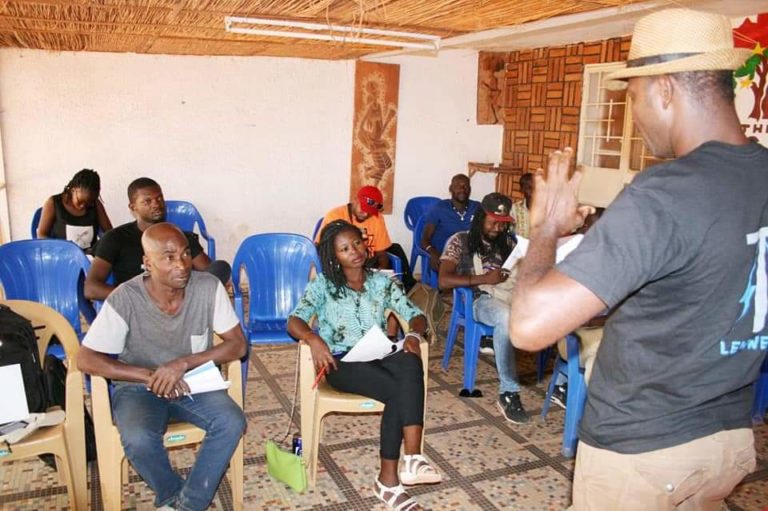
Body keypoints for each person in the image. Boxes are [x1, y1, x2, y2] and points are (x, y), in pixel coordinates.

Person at [510, 9, 767, 509]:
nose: (634, 112)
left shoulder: (666, 193)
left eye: (633, 96)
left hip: (644, 454)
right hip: (726, 443)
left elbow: (528, 326)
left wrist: (546, 228)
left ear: (664, 90)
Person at [77, 223, 247, 511]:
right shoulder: (125, 298)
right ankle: (170, 495)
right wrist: (148, 375)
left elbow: (237, 345)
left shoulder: (207, 287)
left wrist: (182, 364)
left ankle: (187, 505)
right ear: (147, 263)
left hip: (192, 382)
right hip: (138, 388)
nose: (181, 264)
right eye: (168, 257)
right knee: (138, 438)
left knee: (231, 421)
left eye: (184, 254)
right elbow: (86, 358)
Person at [288, 220, 440, 511]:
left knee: (411, 359)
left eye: (356, 243)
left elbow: (415, 313)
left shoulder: (381, 282)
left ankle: (410, 461)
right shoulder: (323, 286)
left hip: (379, 353)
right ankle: (390, 479)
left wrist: (412, 333)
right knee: (400, 390)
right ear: (334, 256)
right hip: (341, 361)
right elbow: (295, 319)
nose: (354, 252)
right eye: (344, 249)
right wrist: (312, 337)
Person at [438, 192, 528, 423]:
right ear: (480, 218)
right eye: (493, 221)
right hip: (478, 299)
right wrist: (484, 279)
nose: (498, 228)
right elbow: (444, 280)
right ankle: (509, 392)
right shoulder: (459, 240)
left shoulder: (509, 242)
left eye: (503, 223)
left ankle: (561, 385)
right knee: (505, 318)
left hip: (510, 296)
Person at [85, 177, 230, 301]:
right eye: (147, 201)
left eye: (159, 198)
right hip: (137, 309)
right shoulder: (115, 239)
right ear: (132, 207)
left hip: (178, 307)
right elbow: (91, 288)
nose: (156, 204)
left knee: (220, 268)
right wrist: (136, 299)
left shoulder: (180, 237)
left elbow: (210, 275)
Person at [316, 185, 416, 290]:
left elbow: (381, 254)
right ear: (355, 199)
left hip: (368, 264)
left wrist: (380, 272)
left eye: (370, 212)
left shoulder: (377, 219)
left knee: (395, 249)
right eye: (363, 209)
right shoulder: (335, 215)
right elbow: (321, 249)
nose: (365, 214)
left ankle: (409, 287)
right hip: (343, 264)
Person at [37, 168, 113, 253]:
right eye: (80, 201)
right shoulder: (54, 203)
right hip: (61, 255)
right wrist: (61, 249)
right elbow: (41, 235)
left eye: (89, 203)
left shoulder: (96, 204)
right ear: (72, 190)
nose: (83, 206)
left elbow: (109, 233)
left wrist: (98, 250)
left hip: (89, 258)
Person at [420, 174, 480, 272]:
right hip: (446, 256)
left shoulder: (477, 207)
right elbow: (424, 239)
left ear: (470, 189)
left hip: (470, 256)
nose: (462, 189)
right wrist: (433, 253)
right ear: (450, 188)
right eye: (458, 186)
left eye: (465, 186)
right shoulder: (440, 208)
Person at [511, 173, 533, 238]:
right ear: (522, 190)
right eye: (529, 188)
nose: (534, 191)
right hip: (520, 247)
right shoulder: (514, 209)